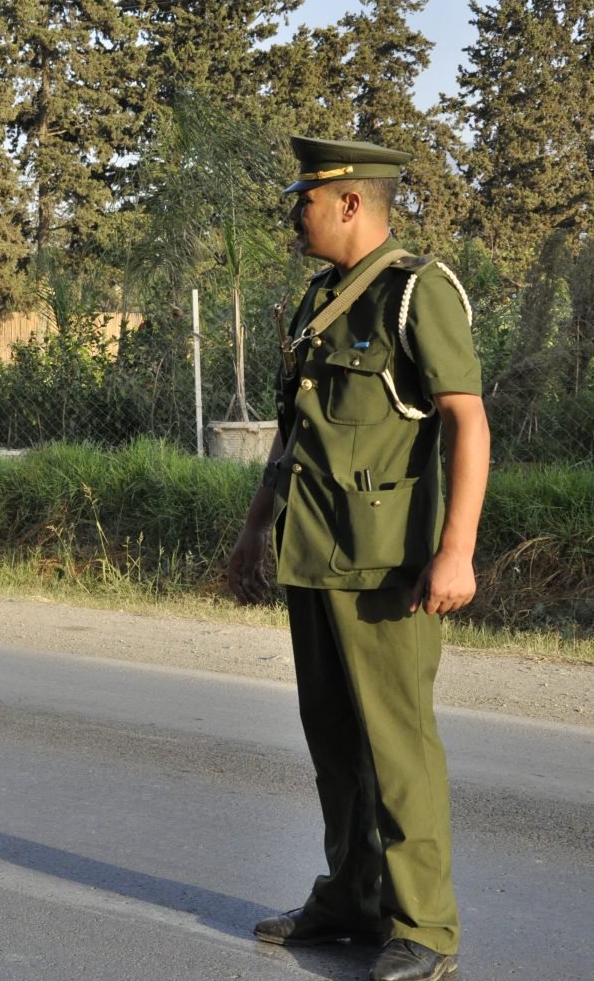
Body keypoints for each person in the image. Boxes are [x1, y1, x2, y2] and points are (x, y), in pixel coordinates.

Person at [228, 137, 491, 981]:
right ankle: (351, 897)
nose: (292, 212)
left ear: (349, 203)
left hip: (387, 568)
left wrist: (458, 551)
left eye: (303, 197)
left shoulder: (416, 293)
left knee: (397, 745)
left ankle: (426, 930)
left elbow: (468, 422)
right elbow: (294, 434)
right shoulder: (321, 299)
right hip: (314, 553)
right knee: (332, 738)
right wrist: (255, 529)